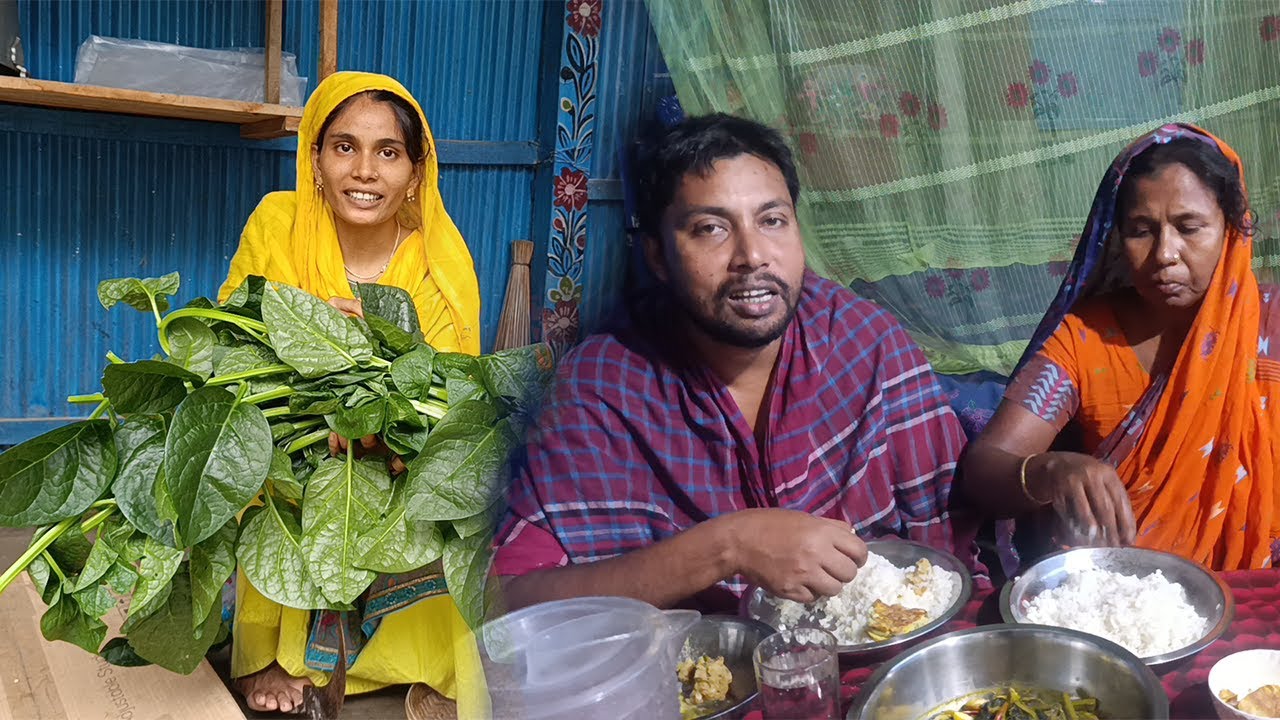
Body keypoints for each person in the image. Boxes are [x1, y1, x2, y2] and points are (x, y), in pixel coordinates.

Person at [493, 113, 975, 613]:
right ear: (658, 257)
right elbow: (510, 600)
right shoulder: (602, 388)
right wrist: (727, 546)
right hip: (700, 677)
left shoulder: (863, 341)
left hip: (887, 656)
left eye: (772, 221)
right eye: (711, 228)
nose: (752, 255)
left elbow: (951, 530)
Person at [217, 72, 485, 714]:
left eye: (388, 152)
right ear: (314, 157)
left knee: (459, 482)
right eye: (344, 147)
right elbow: (232, 343)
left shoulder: (437, 260)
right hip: (300, 437)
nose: (364, 171)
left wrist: (379, 396)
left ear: (417, 172)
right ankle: (282, 656)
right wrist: (307, 332)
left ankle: (413, 658)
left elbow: (452, 384)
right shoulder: (277, 225)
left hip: (395, 450)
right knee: (260, 452)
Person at [961, 124, 1279, 571]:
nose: (1165, 253)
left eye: (1189, 227)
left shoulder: (1271, 326)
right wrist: (1053, 470)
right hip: (1122, 591)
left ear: (1232, 227)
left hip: (1258, 589)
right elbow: (985, 467)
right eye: (1141, 230)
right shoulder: (1087, 336)